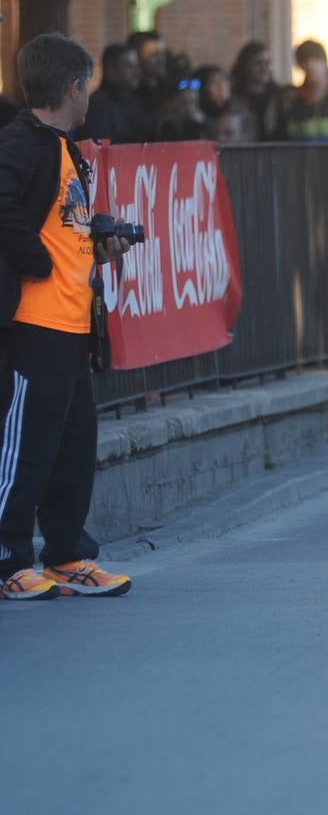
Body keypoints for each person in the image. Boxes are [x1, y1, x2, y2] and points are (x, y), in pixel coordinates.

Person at [0, 32, 134, 600]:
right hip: (34, 324)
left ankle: (67, 555)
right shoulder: (19, 144)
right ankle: (9, 559)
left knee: (72, 450)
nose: (89, 101)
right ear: (73, 88)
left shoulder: (61, 147)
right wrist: (33, 260)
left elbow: (62, 225)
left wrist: (97, 244)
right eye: (87, 89)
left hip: (73, 325)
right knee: (25, 450)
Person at [76, 43, 150, 144]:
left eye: (137, 66)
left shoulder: (134, 102)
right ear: (110, 70)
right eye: (129, 67)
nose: (137, 72)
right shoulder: (98, 106)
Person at [230, 41, 288, 141]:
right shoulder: (233, 97)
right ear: (245, 65)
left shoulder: (279, 96)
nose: (265, 68)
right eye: (258, 63)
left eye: (268, 63)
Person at [152, 77, 208, 142]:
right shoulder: (165, 124)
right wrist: (194, 125)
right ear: (171, 102)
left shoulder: (201, 121)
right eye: (184, 102)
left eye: (193, 102)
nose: (189, 107)